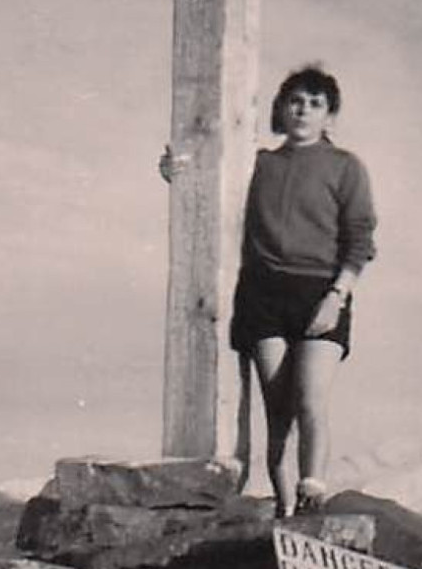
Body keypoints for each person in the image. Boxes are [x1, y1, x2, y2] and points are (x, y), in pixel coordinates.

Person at [161, 66, 377, 518]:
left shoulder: (345, 167)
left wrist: (337, 296)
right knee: (278, 412)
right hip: (263, 293)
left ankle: (312, 492)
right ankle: (284, 513)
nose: (303, 110)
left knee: (310, 397)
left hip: (321, 291)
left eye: (316, 103)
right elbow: (207, 179)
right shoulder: (258, 164)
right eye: (295, 100)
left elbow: (360, 238)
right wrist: (174, 171)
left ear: (329, 116)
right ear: (281, 108)